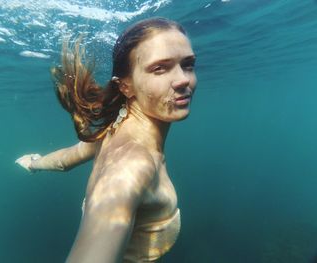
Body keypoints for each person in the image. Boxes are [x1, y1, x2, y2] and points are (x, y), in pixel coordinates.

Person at [15, 17, 197, 263]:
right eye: (159, 68)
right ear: (125, 87)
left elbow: (68, 158)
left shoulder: (113, 130)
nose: (183, 79)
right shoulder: (132, 166)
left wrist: (34, 163)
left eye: (187, 65)